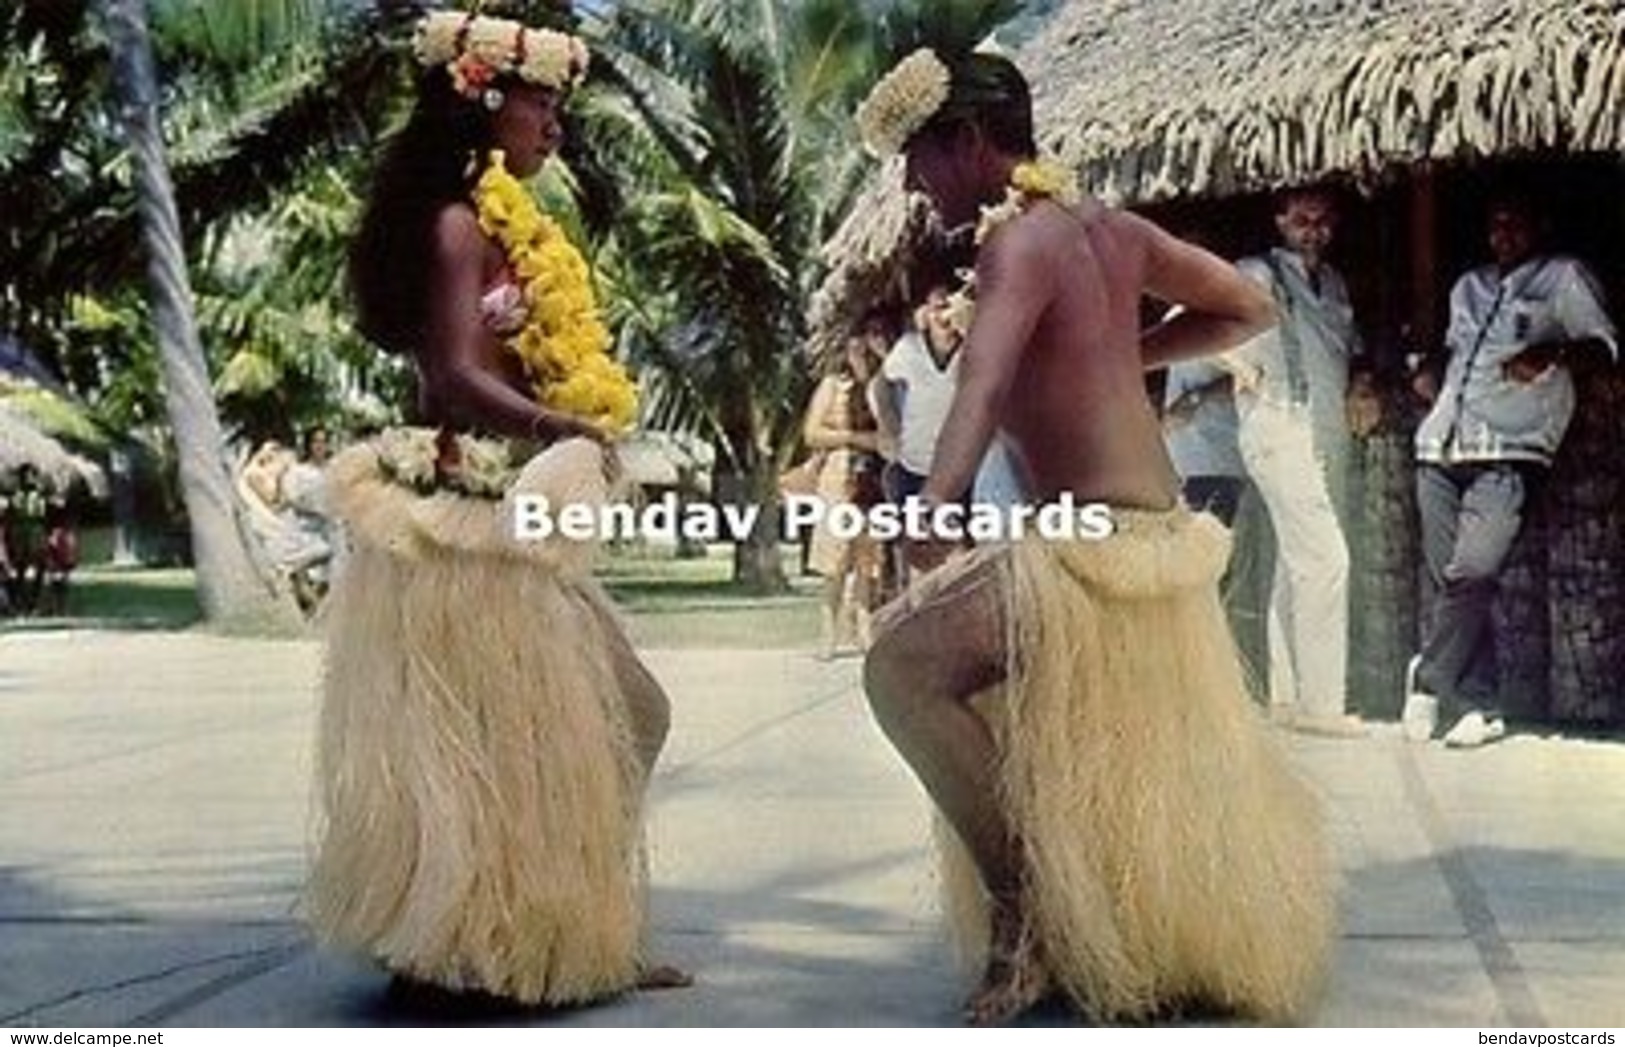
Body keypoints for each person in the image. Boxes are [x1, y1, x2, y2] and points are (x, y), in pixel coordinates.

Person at [854, 48, 1334, 1025]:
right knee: (1033, 719)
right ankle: (1092, 922)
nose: (909, 180)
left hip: (1094, 544)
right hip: (1150, 534)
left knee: (902, 669)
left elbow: (979, 387)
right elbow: (1248, 306)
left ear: (970, 141)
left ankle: (1024, 920)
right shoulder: (1106, 229)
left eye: (917, 156)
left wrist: (928, 514)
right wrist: (1128, 348)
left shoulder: (1016, 244)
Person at [305, 10, 687, 1008]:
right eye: (542, 100)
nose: (556, 122)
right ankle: (461, 947)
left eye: (560, 103)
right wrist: (562, 419)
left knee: (621, 716)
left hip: (512, 497)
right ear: (480, 94)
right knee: (477, 747)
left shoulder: (509, 217)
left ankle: (575, 931)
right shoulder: (455, 224)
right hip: (465, 511)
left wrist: (562, 419)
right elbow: (455, 373)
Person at [1403, 196, 1617, 748]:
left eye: (1517, 221)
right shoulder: (1467, 287)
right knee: (1449, 581)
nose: (1504, 233)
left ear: (1541, 223)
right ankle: (1480, 705)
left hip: (1508, 449)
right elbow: (1451, 354)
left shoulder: (1563, 278)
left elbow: (1605, 347)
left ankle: (1428, 677)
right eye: (1496, 223)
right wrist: (1425, 374)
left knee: (1474, 569)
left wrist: (1552, 355)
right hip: (1441, 447)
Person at [1229, 187, 1374, 737]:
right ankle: (1322, 705)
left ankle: (1288, 699)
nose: (1311, 229)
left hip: (1324, 429)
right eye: (1300, 220)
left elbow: (1349, 346)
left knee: (1298, 561)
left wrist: (1362, 382)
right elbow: (1203, 313)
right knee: (1327, 561)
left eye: (1321, 220)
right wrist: (1236, 366)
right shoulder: (1257, 271)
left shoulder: (1333, 283)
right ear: (1280, 222)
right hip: (1278, 422)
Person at [801, 331, 887, 656]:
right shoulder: (832, 385)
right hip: (837, 473)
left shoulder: (880, 386)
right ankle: (828, 634)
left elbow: (888, 433)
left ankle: (864, 632)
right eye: (853, 347)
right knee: (833, 557)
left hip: (872, 479)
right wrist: (854, 438)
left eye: (864, 347)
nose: (858, 352)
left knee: (868, 558)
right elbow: (811, 433)